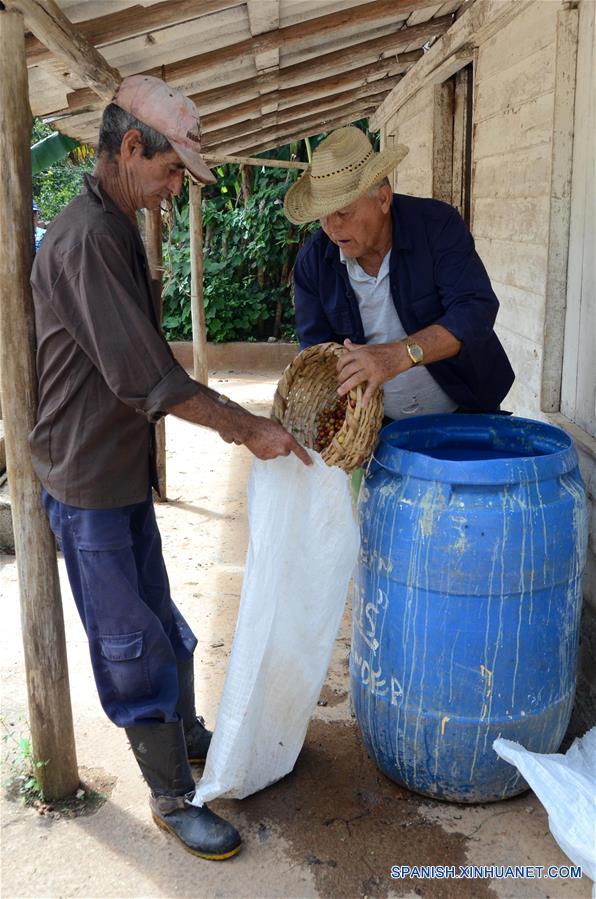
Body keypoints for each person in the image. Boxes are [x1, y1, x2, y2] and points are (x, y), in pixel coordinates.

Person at [29, 75, 311, 861]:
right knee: (130, 642)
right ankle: (169, 795)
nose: (175, 186)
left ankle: (185, 735)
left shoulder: (115, 224)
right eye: (169, 169)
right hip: (85, 479)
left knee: (162, 622)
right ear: (128, 148)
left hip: (116, 473)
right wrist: (244, 426)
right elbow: (146, 377)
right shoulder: (87, 237)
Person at [284, 127, 514, 418]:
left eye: (343, 213)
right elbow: (318, 354)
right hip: (377, 424)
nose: (331, 228)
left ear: (382, 199)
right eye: (323, 215)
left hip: (465, 410)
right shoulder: (313, 263)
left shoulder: (436, 226)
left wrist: (399, 355)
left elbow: (474, 311)